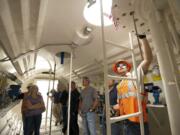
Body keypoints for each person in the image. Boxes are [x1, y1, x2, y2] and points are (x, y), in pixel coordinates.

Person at [115, 34, 152, 135]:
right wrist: (114, 108)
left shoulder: (135, 75)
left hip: (138, 120)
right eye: (118, 66)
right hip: (126, 121)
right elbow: (121, 103)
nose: (120, 66)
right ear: (116, 71)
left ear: (128, 67)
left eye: (123, 64)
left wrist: (143, 38)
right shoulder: (119, 85)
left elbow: (147, 60)